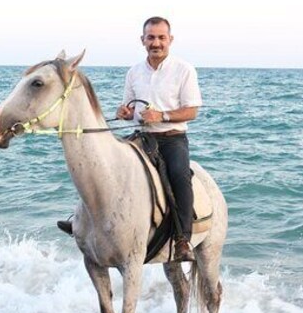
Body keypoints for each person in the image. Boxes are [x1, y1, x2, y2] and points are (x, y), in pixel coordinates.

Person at [58, 16, 202, 262]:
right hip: (141, 137)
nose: (156, 43)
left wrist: (162, 115)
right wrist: (123, 113)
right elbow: (127, 109)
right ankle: (82, 223)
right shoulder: (134, 72)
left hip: (172, 138)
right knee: (100, 164)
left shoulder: (184, 70)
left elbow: (192, 111)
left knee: (179, 175)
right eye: (151, 37)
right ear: (142, 40)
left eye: (161, 38)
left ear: (170, 40)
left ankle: (182, 239)